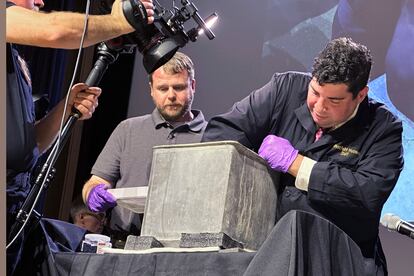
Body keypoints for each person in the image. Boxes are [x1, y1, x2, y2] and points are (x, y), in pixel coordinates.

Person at [202, 37, 403, 274]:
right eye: (315, 92)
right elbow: (219, 136)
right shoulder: (284, 88)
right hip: (268, 250)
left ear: (360, 95)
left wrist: (297, 164)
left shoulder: (384, 128)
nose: (319, 107)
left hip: (340, 258)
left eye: (334, 100)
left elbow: (366, 194)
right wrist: (251, 161)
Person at [6, 0, 154, 274]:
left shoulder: (15, 62)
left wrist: (66, 108)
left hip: (16, 213)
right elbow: (54, 31)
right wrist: (119, 21)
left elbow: (31, 144)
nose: (40, 1)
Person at [82, 52, 207, 241]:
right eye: (163, 88)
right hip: (124, 242)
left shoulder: (212, 136)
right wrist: (92, 193)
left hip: (185, 249)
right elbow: (96, 181)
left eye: (179, 87)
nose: (171, 95)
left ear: (193, 86)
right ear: (151, 89)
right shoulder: (128, 130)